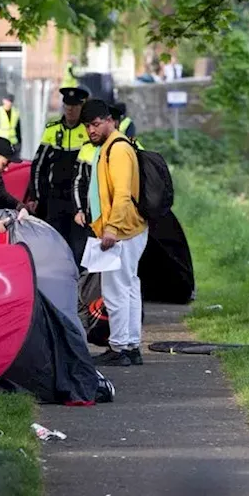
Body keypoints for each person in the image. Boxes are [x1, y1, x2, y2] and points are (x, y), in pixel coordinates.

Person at [73, 99, 148, 367]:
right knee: (128, 287)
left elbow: (123, 194)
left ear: (109, 121)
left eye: (95, 124)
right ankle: (130, 346)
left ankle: (119, 347)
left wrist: (112, 228)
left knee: (115, 290)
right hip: (129, 229)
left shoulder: (116, 149)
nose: (90, 131)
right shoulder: (112, 146)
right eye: (87, 126)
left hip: (122, 230)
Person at [24, 86, 91, 264]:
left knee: (78, 247)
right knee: (55, 243)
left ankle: (78, 285)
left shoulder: (87, 131)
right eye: (67, 107)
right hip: (56, 198)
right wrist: (36, 195)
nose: (70, 111)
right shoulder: (52, 130)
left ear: (81, 108)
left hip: (79, 200)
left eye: (75, 107)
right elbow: (38, 166)